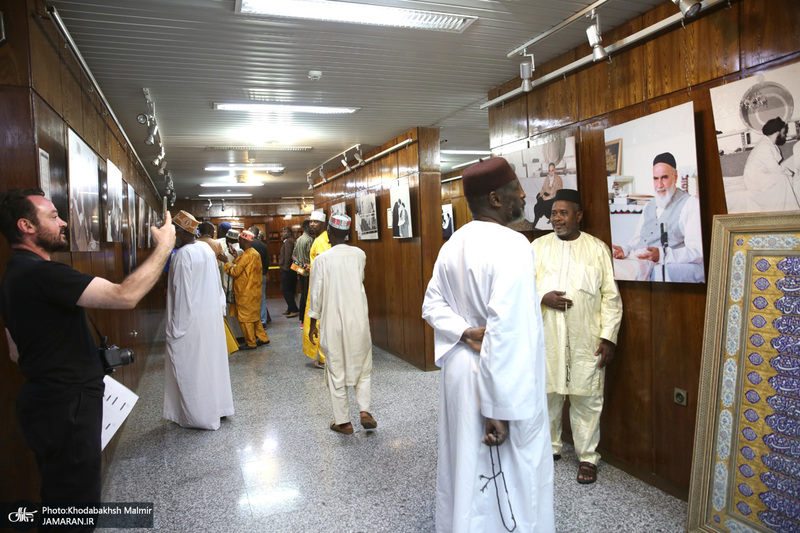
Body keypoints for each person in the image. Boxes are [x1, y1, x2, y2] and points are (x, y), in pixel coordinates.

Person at [0, 188, 175, 510]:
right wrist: (165, 246)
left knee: (62, 494)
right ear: (26, 226)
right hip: (66, 404)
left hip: (48, 400)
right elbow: (125, 296)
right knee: (75, 505)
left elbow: (16, 352)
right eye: (53, 216)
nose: (63, 221)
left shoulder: (14, 275)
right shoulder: (42, 274)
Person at [421, 158, 554, 532]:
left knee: (466, 464)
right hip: (498, 381)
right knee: (512, 473)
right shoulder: (512, 244)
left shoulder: (454, 243)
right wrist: (499, 408)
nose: (524, 194)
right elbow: (508, 329)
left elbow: (432, 304)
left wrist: (462, 331)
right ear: (495, 198)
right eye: (516, 189)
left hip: (463, 373)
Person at [531, 189, 623, 485]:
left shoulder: (597, 249)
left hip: (587, 339)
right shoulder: (537, 247)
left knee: (587, 398)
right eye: (554, 213)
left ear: (578, 215)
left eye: (563, 213)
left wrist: (609, 337)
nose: (556, 219)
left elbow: (610, 297)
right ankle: (551, 448)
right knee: (548, 396)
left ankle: (587, 457)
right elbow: (518, 288)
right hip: (547, 337)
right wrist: (542, 297)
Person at [164, 211, 234, 430]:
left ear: (184, 231)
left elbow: (182, 295)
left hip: (191, 323)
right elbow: (217, 288)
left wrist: (177, 329)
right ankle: (218, 408)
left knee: (194, 367)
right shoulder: (205, 250)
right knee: (212, 365)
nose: (173, 234)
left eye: (175, 230)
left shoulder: (182, 255)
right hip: (210, 319)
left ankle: (198, 415)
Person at [308, 214, 376, 434]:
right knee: (363, 366)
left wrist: (312, 323)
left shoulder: (322, 259)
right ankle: (364, 410)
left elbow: (316, 293)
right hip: (358, 319)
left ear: (328, 230)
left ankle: (344, 423)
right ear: (347, 233)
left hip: (333, 321)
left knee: (335, 369)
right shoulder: (360, 255)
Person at [612, 152, 704, 283]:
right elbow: (637, 240)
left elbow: (696, 252)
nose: (659, 184)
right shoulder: (648, 206)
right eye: (656, 178)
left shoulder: (690, 204)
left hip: (667, 266)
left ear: (675, 176)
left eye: (664, 178)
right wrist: (625, 249)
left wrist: (661, 255)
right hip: (642, 262)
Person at [219, 230, 270, 350]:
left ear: (244, 240)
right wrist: (236, 257)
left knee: (245, 319)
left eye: (240, 240)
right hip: (254, 292)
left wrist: (226, 261)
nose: (239, 242)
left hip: (245, 293)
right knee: (255, 318)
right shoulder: (253, 253)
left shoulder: (247, 254)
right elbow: (245, 267)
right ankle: (263, 338)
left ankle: (251, 342)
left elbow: (234, 272)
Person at [741, 117, 800, 212]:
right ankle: (790, 211)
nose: (785, 135)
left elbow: (776, 167)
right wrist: (790, 173)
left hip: (763, 174)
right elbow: (775, 169)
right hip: (754, 179)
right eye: (784, 132)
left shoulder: (770, 144)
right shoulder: (765, 146)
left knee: (787, 174)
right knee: (783, 179)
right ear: (777, 132)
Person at [302, 211, 330, 369]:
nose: (312, 224)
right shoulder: (322, 239)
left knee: (318, 321)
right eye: (311, 221)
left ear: (323, 224)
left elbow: (323, 266)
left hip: (319, 287)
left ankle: (324, 359)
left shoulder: (320, 241)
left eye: (316, 222)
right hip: (319, 284)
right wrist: (310, 267)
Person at [248, 226, 272, 327]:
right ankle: (263, 320)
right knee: (262, 297)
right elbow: (267, 261)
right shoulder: (264, 246)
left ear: (250, 232)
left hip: (251, 274)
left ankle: (253, 320)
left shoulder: (248, 244)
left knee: (250, 297)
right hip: (262, 274)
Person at [293, 219, 313, 323]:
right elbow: (311, 256)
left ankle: (302, 318)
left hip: (299, 269)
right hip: (307, 271)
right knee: (306, 295)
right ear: (308, 227)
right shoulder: (309, 240)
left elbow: (293, 255)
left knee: (302, 293)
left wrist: (299, 263)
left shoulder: (299, 239)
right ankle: (304, 318)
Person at [532, 162, 563, 228]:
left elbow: (558, 192)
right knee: (538, 196)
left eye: (552, 170)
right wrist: (543, 195)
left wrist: (548, 197)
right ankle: (542, 214)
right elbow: (543, 189)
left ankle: (536, 221)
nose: (550, 172)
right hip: (546, 195)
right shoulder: (547, 178)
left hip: (554, 197)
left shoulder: (559, 179)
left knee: (539, 205)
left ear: (555, 170)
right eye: (549, 170)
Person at [279, 226, 300, 318]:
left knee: (285, 289)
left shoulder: (289, 242)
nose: (283, 234)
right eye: (282, 232)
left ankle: (294, 309)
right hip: (292, 269)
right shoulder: (290, 241)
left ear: (290, 233)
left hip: (288, 269)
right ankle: (290, 309)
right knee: (290, 289)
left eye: (285, 232)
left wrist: (285, 268)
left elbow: (288, 256)